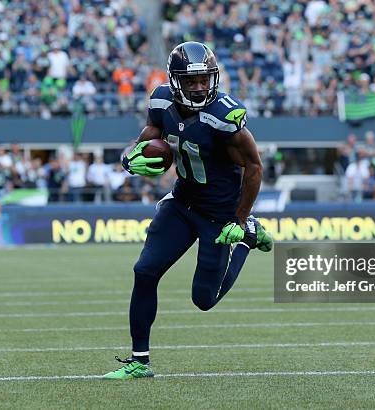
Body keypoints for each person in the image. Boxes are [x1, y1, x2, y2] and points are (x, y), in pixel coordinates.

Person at [103, 42, 273, 380]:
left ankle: (247, 237)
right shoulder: (162, 101)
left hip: (220, 214)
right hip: (182, 202)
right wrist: (133, 152)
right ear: (175, 80)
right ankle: (140, 361)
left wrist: (239, 220)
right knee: (145, 270)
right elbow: (153, 133)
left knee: (203, 300)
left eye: (203, 80)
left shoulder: (225, 117)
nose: (198, 87)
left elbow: (254, 167)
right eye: (190, 81)